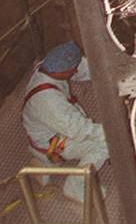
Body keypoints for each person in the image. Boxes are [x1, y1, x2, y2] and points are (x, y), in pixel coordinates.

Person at [21, 41, 109, 203]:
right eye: (72, 70)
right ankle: (75, 184)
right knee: (106, 144)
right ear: (63, 72)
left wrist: (109, 69)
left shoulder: (49, 68)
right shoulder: (47, 101)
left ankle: (46, 166)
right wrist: (112, 133)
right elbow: (80, 130)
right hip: (53, 143)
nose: (75, 70)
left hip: (54, 131)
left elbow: (81, 68)